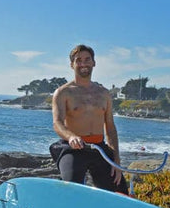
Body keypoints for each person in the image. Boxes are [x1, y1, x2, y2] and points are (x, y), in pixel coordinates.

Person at [49, 44, 128, 194]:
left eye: (87, 59)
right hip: (73, 148)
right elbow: (57, 123)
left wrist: (116, 161)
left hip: (99, 148)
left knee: (119, 190)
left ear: (94, 63)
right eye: (78, 60)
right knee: (71, 189)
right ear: (72, 65)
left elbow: (110, 128)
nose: (83, 64)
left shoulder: (104, 94)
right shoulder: (63, 92)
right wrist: (71, 137)